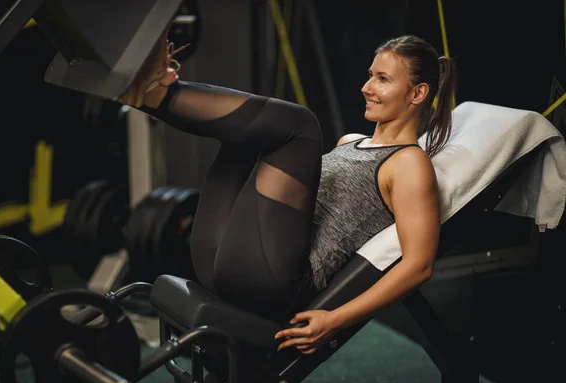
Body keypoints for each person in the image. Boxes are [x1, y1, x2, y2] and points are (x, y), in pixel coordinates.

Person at [118, 32, 457, 355]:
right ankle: (151, 89)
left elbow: (419, 265)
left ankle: (156, 92)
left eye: (383, 79)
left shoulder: (410, 163)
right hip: (218, 260)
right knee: (247, 131)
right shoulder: (350, 141)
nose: (367, 87)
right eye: (370, 76)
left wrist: (336, 320)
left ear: (417, 93)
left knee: (301, 127)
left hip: (273, 281)